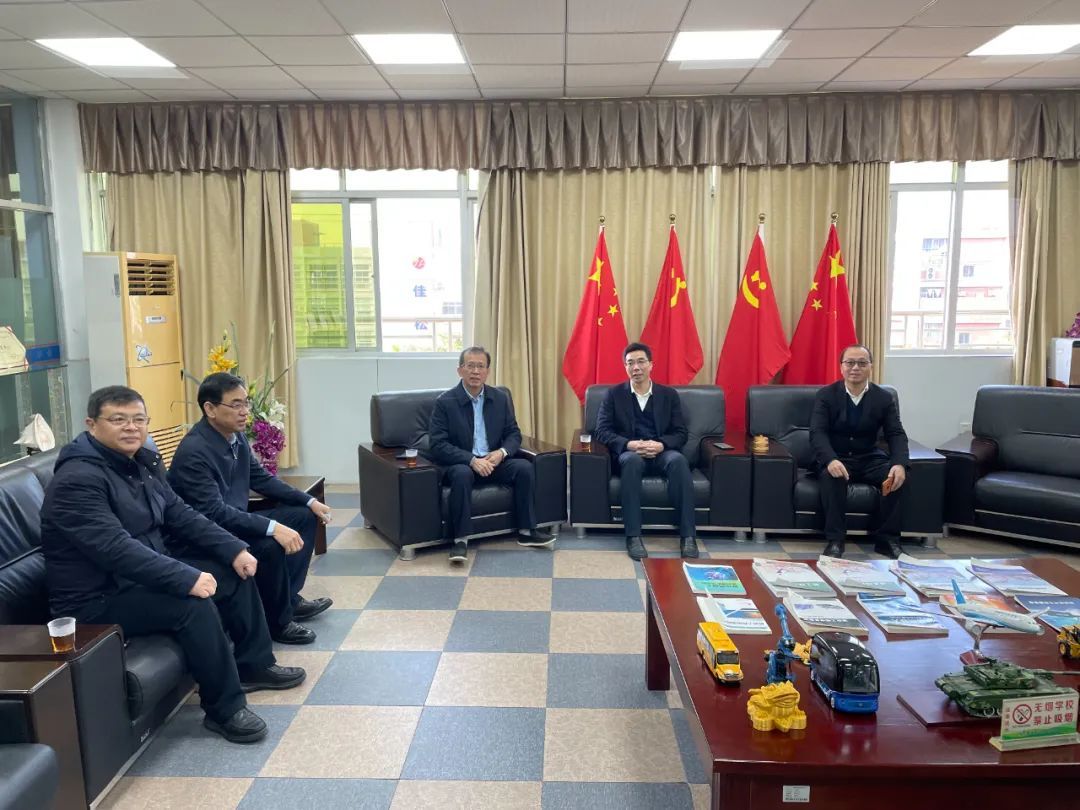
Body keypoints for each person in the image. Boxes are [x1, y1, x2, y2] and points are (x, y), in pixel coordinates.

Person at [42, 386, 305, 744]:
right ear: (92, 424)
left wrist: (233, 549)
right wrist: (185, 577)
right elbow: (114, 548)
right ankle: (225, 709)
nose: (131, 427)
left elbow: (180, 513)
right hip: (99, 597)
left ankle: (255, 665)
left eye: (138, 419)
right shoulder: (77, 480)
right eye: (118, 420)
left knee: (233, 572)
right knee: (192, 604)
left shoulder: (141, 462)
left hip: (141, 576)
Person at [168, 373, 333, 645]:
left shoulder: (235, 436)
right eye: (236, 404)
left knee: (302, 516)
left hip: (233, 521)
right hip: (206, 534)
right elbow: (213, 512)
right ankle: (278, 623)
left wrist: (309, 501)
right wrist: (272, 527)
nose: (245, 411)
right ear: (210, 409)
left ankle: (287, 600)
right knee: (269, 544)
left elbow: (260, 478)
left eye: (246, 403)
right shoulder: (195, 451)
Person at [428, 346, 555, 563]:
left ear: (487, 371)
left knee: (524, 468)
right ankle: (460, 540)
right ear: (460, 370)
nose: (475, 371)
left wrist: (502, 453)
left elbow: (513, 433)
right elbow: (437, 444)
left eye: (481, 366)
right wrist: (471, 460)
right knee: (461, 475)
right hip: (462, 463)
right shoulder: (445, 402)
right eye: (470, 366)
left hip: (493, 461)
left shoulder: (499, 398)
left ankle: (526, 531)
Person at [595, 342, 697, 561]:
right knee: (631, 462)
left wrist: (661, 445)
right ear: (625, 367)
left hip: (662, 452)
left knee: (678, 461)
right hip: (630, 452)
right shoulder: (613, 395)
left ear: (651, 365)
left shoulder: (669, 395)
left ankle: (688, 536)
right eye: (630, 363)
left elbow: (680, 433)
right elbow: (602, 431)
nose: (636, 367)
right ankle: (633, 536)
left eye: (641, 362)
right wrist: (629, 444)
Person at [809, 344, 910, 559]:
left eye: (862, 363)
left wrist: (899, 463)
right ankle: (835, 540)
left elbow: (896, 434)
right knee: (832, 477)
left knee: (895, 476)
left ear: (871, 367)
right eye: (850, 363)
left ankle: (887, 540)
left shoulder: (883, 398)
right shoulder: (826, 395)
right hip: (837, 457)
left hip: (868, 458)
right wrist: (830, 460)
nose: (855, 368)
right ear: (841, 367)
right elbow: (818, 432)